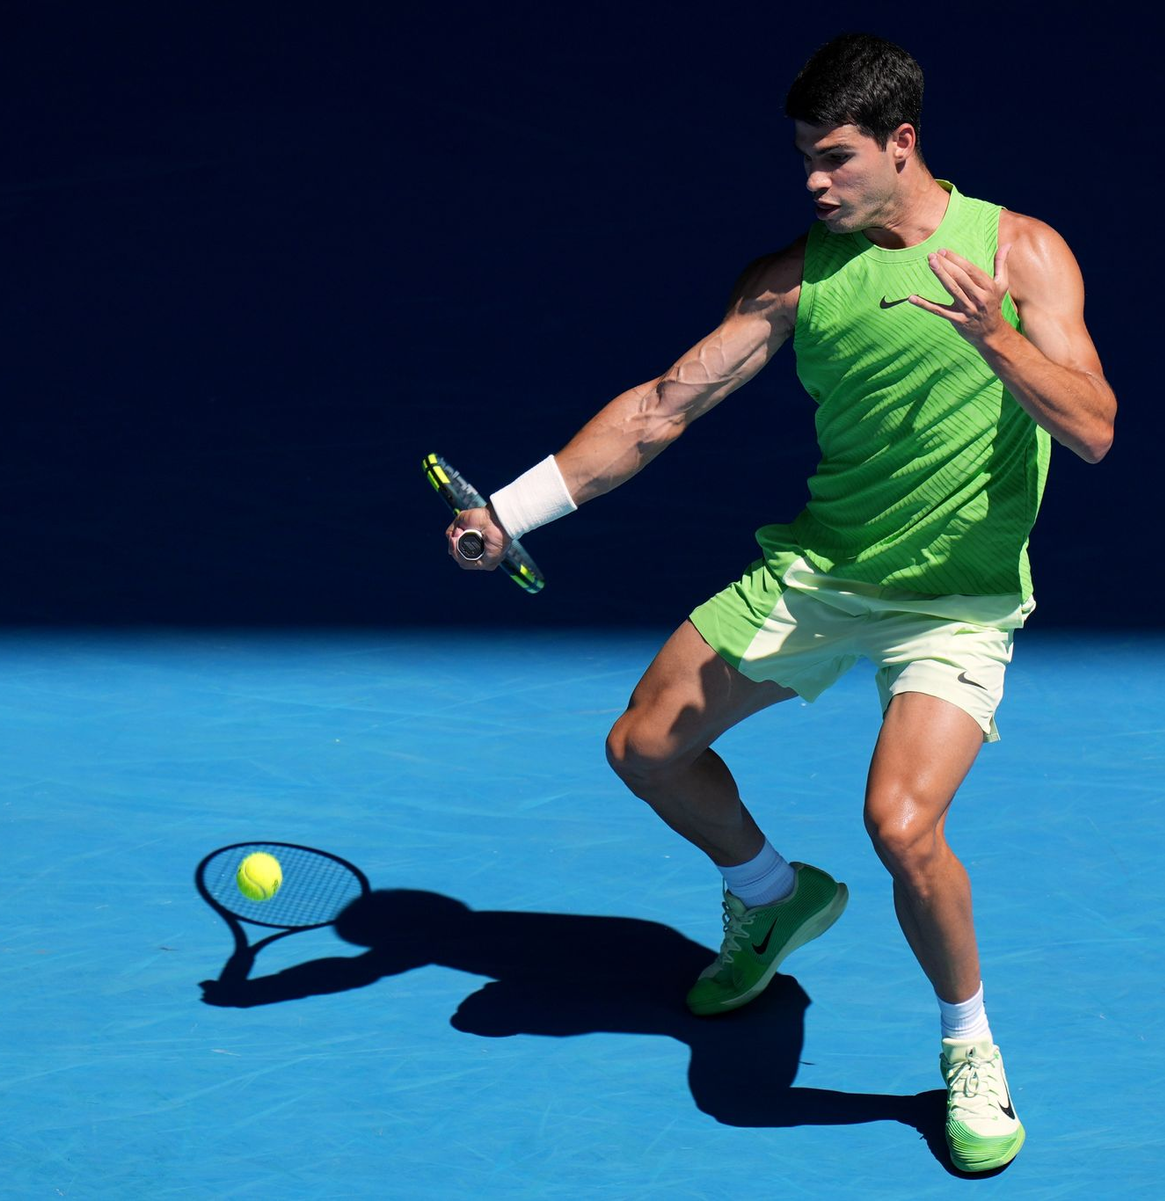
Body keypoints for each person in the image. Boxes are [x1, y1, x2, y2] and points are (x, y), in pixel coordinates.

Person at [444, 32, 1116, 1173]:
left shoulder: (1021, 253)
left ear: (903, 143)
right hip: (824, 569)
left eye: (835, 157)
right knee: (644, 745)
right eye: (804, 155)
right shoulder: (794, 280)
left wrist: (994, 338)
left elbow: (1093, 427)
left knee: (902, 826)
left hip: (956, 601)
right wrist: (510, 511)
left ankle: (970, 1046)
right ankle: (771, 894)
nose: (813, 180)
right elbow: (661, 409)